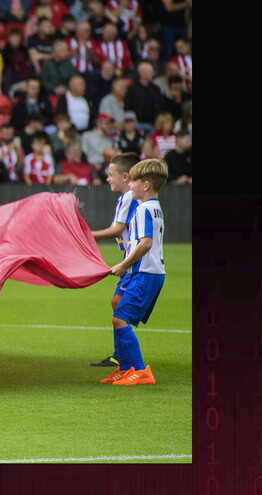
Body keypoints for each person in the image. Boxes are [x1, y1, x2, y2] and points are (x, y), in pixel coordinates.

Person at [101, 158, 168, 386]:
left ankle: (140, 371)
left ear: (146, 185)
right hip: (151, 272)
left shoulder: (142, 210)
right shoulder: (156, 208)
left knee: (120, 319)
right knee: (118, 310)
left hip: (144, 273)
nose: (130, 186)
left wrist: (123, 265)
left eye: (134, 182)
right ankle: (125, 368)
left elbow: (145, 243)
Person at [89, 152, 142, 367]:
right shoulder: (127, 197)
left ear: (126, 176)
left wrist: (86, 234)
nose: (108, 178)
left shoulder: (129, 197)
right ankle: (119, 355)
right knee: (116, 303)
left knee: (119, 308)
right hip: (129, 257)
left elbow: (117, 229)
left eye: (111, 174)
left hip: (134, 260)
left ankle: (125, 359)